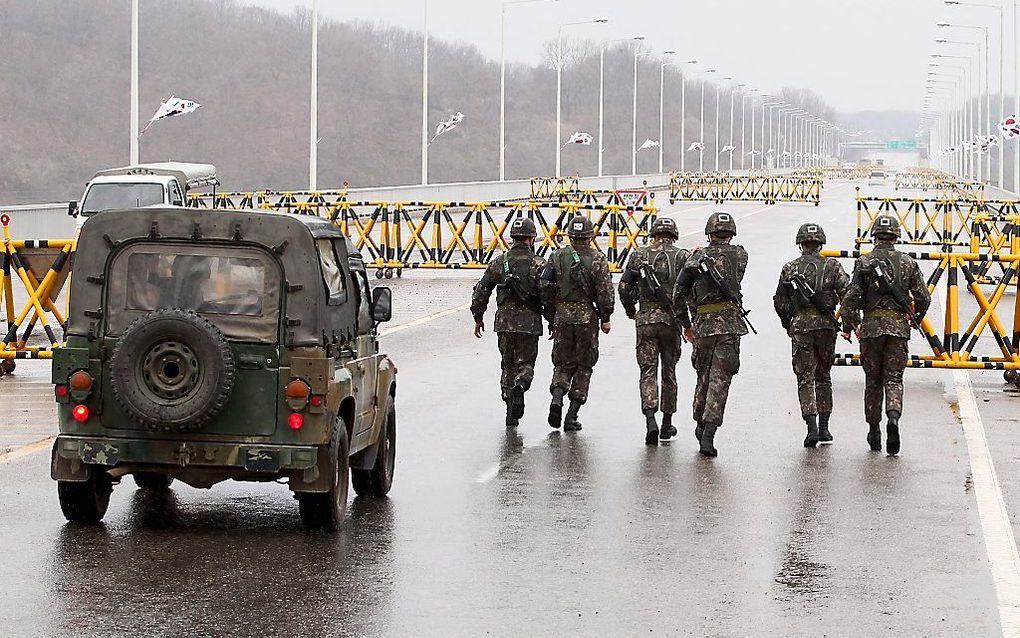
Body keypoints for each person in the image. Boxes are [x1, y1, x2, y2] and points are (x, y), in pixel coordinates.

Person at [840, 215, 931, 456]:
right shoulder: (908, 263)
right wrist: (915, 319)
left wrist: (855, 324)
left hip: (870, 329)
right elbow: (923, 297)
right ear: (895, 236)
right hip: (898, 330)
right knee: (893, 379)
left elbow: (850, 300)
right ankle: (893, 417)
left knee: (873, 381)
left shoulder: (864, 263)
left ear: (874, 237)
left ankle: (874, 431)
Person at [672, 212, 749, 458]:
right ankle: (709, 434)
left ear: (709, 233)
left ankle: (700, 421)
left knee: (703, 377)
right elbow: (736, 258)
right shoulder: (740, 256)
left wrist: (686, 324)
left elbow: (678, 295)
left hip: (703, 326)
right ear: (731, 234)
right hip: (729, 326)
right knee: (720, 380)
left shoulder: (695, 260)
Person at [773, 223, 850, 448]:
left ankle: (812, 427)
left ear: (801, 244)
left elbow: (780, 300)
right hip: (826, 327)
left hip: (801, 327)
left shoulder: (790, 268)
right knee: (823, 376)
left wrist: (789, 323)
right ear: (820, 244)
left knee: (804, 378)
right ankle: (825, 427)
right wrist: (846, 324)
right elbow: (848, 295)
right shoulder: (833, 266)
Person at [471, 218, 552, 428]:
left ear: (513, 238)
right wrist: (552, 321)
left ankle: (510, 411)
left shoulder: (499, 262)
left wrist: (478, 317)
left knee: (507, 365)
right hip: (529, 322)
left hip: (504, 323)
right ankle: (521, 385)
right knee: (525, 364)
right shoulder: (539, 264)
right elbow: (548, 295)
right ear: (531, 238)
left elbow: (482, 290)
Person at [618, 217, 691, 445]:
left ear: (653, 235)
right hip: (672, 321)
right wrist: (687, 321)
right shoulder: (682, 256)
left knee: (647, 371)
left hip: (646, 320)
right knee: (669, 373)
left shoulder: (639, 255)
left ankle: (650, 420)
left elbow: (623, 286)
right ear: (674, 235)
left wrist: (632, 310)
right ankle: (667, 423)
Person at [540, 215, 615, 432]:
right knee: (584, 366)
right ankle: (571, 416)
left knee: (563, 364)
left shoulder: (556, 257)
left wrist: (551, 313)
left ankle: (557, 396)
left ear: (570, 235)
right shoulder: (598, 259)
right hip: (586, 320)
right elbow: (605, 292)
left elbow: (545, 284)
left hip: (562, 317)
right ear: (590, 236)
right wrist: (606, 317)